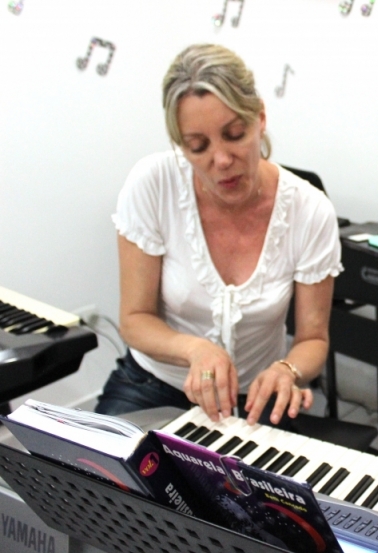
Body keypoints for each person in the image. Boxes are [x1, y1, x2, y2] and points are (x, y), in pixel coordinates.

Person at [95, 44, 341, 428]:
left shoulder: (309, 210)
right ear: (181, 146)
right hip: (153, 385)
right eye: (199, 146)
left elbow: (313, 339)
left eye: (234, 134)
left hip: (256, 401)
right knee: (98, 479)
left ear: (259, 118)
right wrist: (194, 350)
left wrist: (287, 370)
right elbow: (134, 319)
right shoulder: (153, 184)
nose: (221, 160)